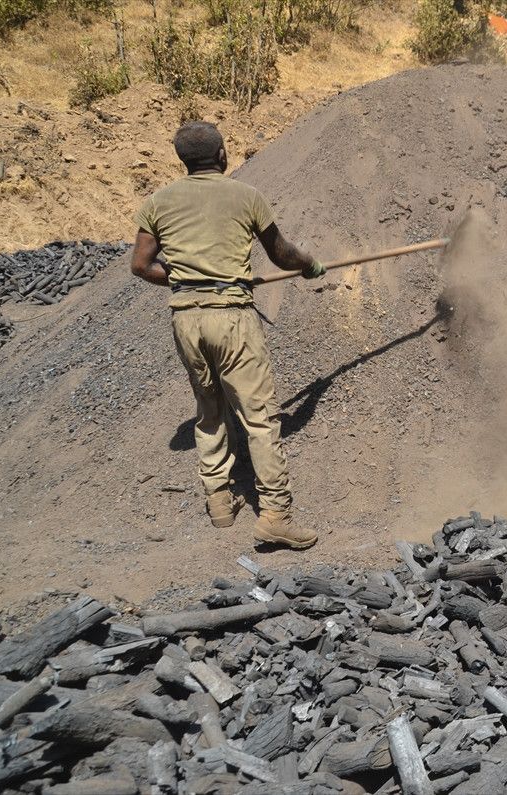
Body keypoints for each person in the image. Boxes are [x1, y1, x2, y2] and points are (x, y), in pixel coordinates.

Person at [130, 121, 325, 549]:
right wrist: (308, 264)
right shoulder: (246, 196)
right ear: (222, 155)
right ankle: (275, 514)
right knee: (259, 417)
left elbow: (141, 266)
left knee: (209, 408)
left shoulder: (158, 202)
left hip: (187, 319)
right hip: (231, 317)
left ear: (183, 160)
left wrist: (189, 281)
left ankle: (220, 503)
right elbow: (281, 253)